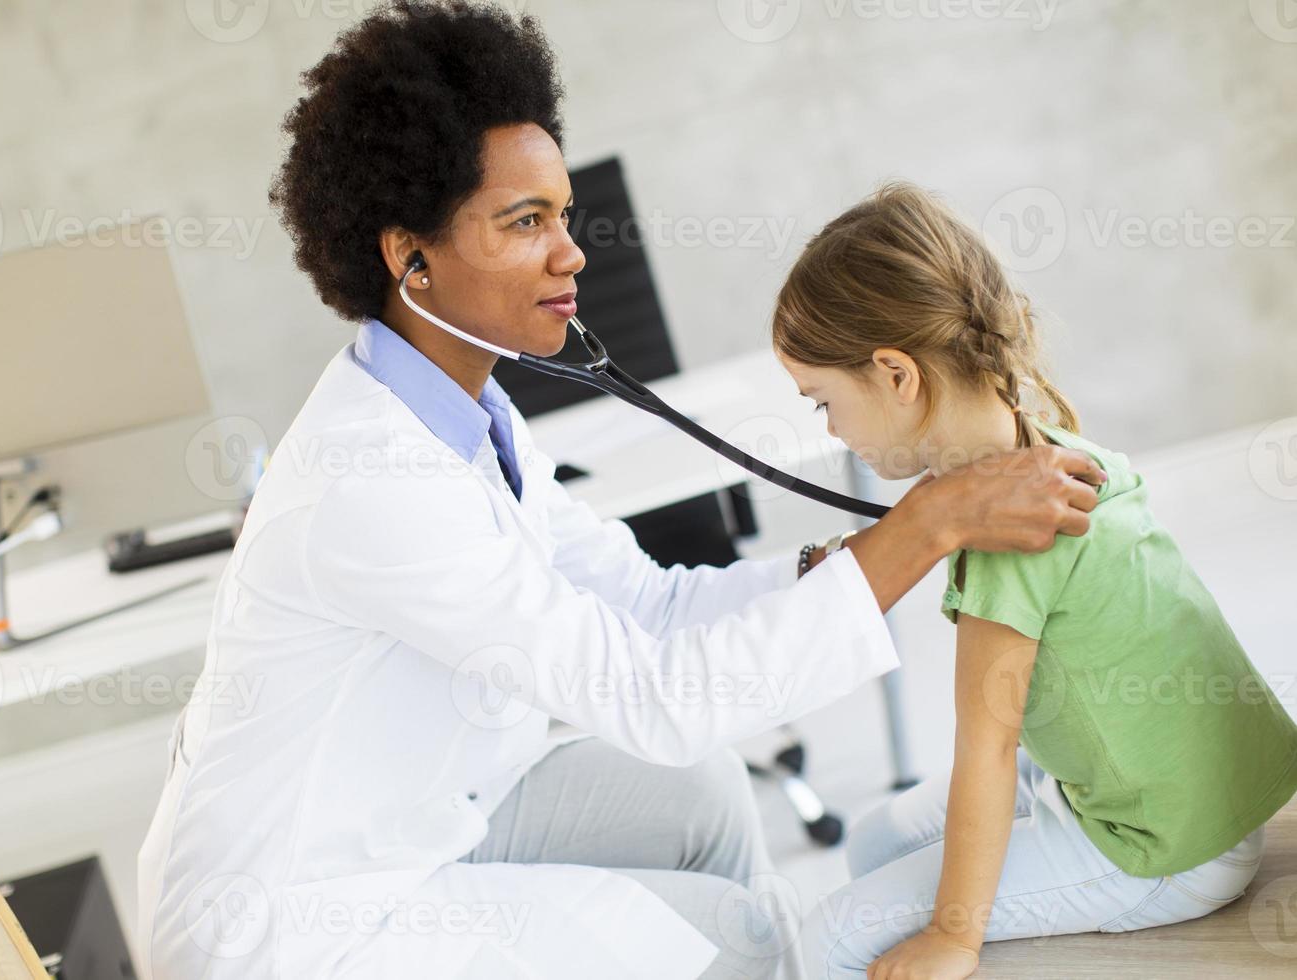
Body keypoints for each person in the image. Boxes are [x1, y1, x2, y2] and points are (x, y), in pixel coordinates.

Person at [135, 5, 1106, 978]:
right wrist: (929, 527)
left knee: (708, 791)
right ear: (409, 256)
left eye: (561, 214)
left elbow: (647, 601)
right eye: (526, 223)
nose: (572, 251)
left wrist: (866, 551)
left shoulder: (473, 412)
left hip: (422, 812)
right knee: (747, 934)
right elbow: (652, 695)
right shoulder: (370, 483)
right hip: (302, 919)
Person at [773, 181, 1297, 979]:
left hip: (1166, 848)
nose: (832, 430)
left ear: (895, 373)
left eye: (823, 403)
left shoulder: (1010, 540)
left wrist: (954, 936)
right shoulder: (1038, 450)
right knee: (874, 842)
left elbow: (987, 748)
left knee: (831, 940)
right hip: (1184, 792)